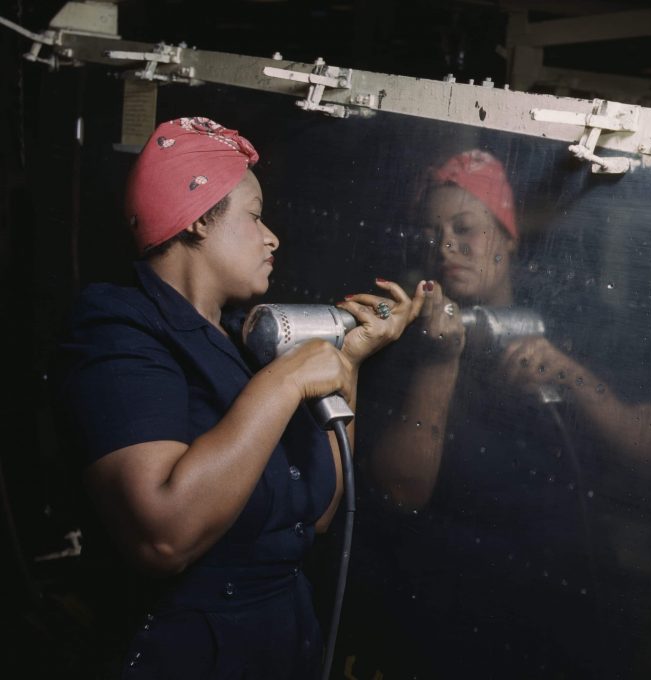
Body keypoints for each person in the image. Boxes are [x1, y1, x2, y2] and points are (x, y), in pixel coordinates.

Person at [53, 116, 425, 679]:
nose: (272, 236)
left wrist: (346, 361)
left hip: (283, 638)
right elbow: (162, 536)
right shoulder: (118, 328)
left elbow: (319, 515)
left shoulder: (239, 341)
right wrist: (285, 381)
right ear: (200, 219)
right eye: (254, 216)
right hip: (186, 653)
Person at [349, 149, 651, 678]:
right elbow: (399, 490)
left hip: (564, 609)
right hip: (444, 613)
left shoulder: (577, 319)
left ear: (506, 235)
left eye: (466, 228)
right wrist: (439, 361)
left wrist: (569, 375)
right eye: (431, 232)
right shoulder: (403, 341)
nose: (446, 246)